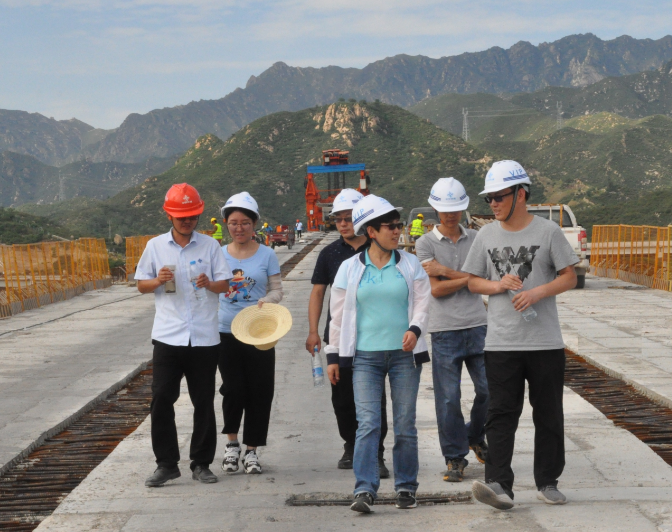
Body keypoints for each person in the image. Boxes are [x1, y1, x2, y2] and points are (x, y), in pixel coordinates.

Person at [462, 160, 578, 510]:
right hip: (501, 343)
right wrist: (497, 285)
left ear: (520, 194)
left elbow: (569, 276)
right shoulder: (486, 236)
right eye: (489, 198)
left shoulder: (548, 231)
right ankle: (499, 485)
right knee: (500, 414)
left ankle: (548, 482)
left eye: (498, 197)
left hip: (545, 342)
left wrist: (537, 292)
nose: (493, 204)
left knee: (548, 414)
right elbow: (472, 282)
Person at [325, 194, 431, 513]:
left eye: (398, 225)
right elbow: (337, 316)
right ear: (371, 231)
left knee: (405, 423)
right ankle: (364, 489)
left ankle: (406, 487)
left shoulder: (410, 264)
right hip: (364, 359)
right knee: (368, 423)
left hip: (404, 357)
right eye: (390, 226)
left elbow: (423, 302)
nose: (397, 231)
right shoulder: (349, 269)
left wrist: (415, 329)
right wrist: (333, 356)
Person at [136, 183, 232, 488]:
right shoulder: (155, 246)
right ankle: (166, 464)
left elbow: (225, 284)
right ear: (169, 215)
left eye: (192, 216)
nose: (187, 221)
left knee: (203, 401)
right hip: (168, 336)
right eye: (181, 217)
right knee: (161, 399)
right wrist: (157, 280)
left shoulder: (210, 246)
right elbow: (140, 285)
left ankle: (201, 463)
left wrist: (209, 284)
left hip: (204, 337)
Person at [305, 189, 389, 478]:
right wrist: (314, 331)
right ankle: (352, 445)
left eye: (348, 218)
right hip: (339, 337)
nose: (342, 224)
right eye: (338, 219)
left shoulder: (379, 249)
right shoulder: (329, 254)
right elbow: (318, 293)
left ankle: (376, 453)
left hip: (373, 336)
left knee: (374, 397)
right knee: (342, 397)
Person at [415, 177, 489, 483]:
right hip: (444, 329)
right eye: (445, 210)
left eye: (456, 209)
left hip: (479, 325)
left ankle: (475, 436)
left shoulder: (477, 238)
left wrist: (445, 271)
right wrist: (470, 278)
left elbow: (483, 279)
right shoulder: (425, 243)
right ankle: (455, 457)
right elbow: (436, 290)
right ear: (435, 209)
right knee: (448, 398)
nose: (450, 215)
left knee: (490, 390)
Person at [218, 192, 284, 475]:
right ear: (226, 224)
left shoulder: (267, 254)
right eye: (234, 223)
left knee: (260, 390)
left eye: (245, 222)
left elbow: (277, 290)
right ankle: (231, 445)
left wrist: (267, 301)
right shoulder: (218, 254)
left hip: (259, 333)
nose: (239, 228)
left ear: (254, 224)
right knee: (232, 389)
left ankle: (252, 450)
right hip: (225, 332)